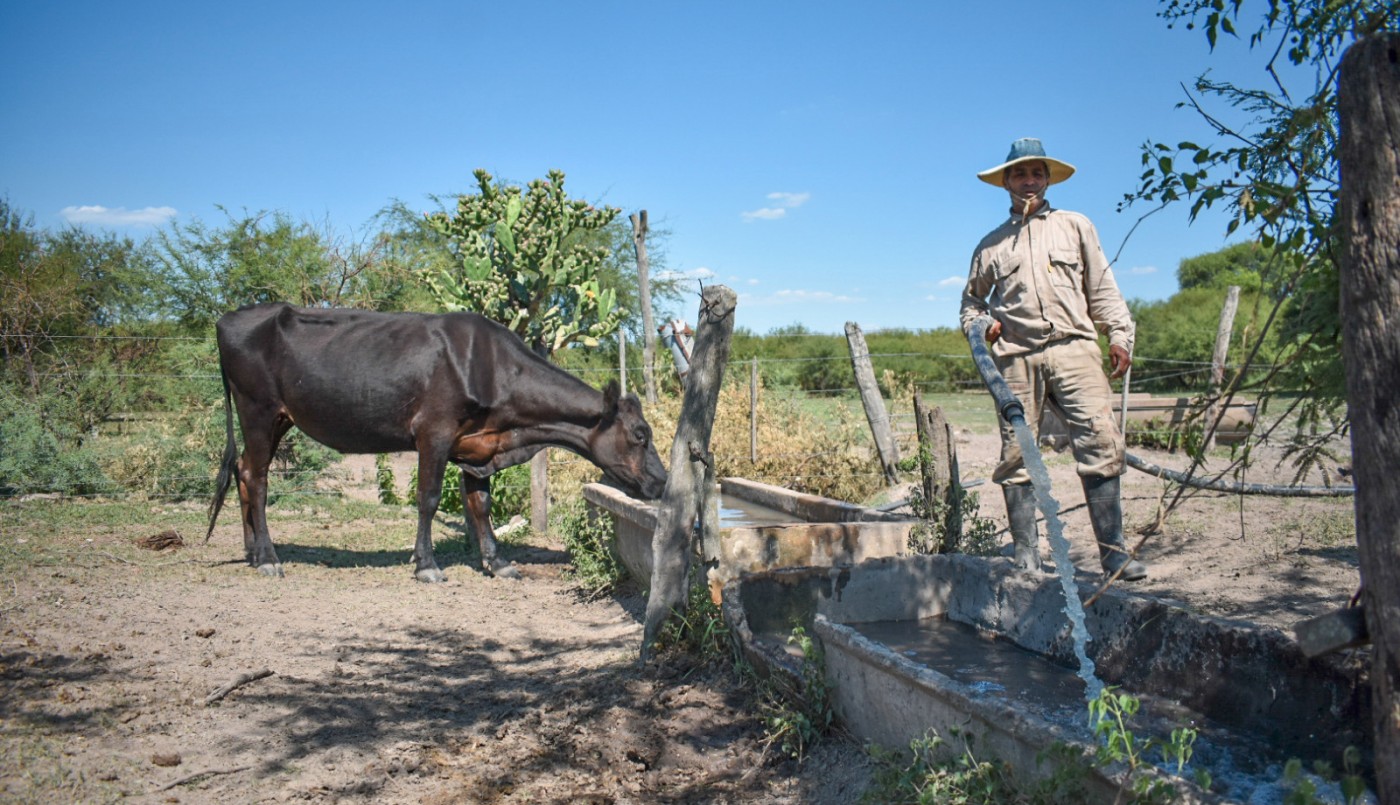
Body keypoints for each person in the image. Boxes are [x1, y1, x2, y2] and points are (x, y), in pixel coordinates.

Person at [959, 137, 1147, 581]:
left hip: (1075, 347)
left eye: (1036, 174)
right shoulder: (991, 246)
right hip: (1016, 358)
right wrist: (982, 323)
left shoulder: (1075, 226)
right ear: (1006, 182)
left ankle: (1113, 554)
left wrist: (1119, 335)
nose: (1029, 181)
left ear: (1046, 179)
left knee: (1100, 442)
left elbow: (1102, 288)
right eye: (1020, 174)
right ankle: (1027, 556)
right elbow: (970, 304)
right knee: (1017, 455)